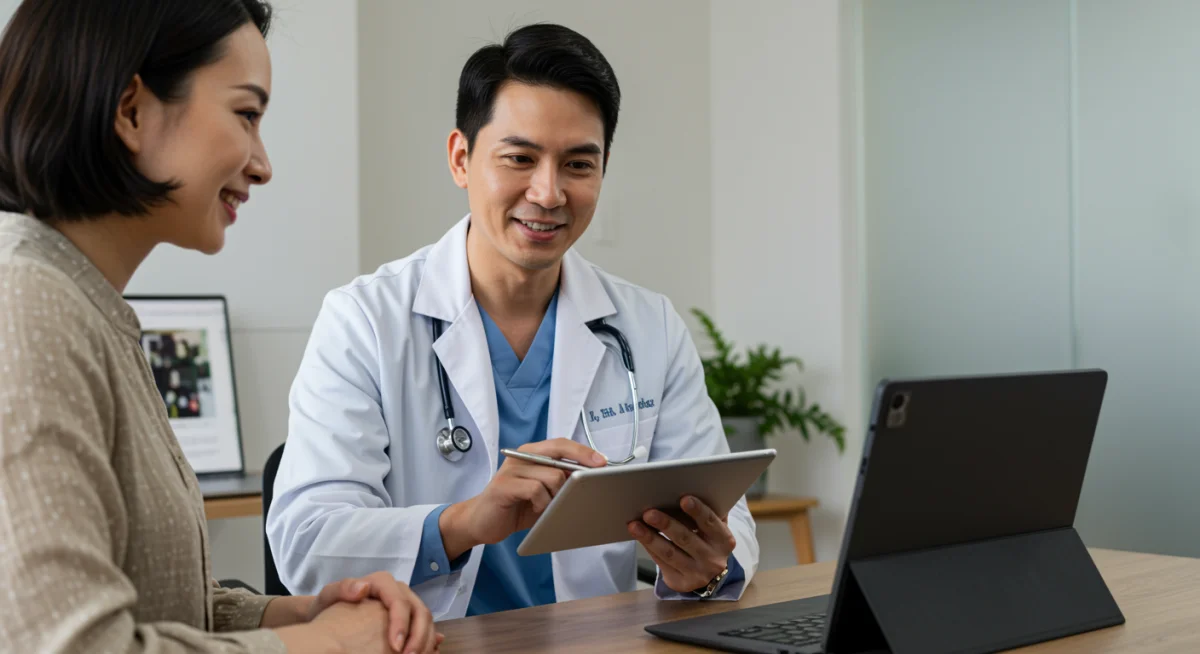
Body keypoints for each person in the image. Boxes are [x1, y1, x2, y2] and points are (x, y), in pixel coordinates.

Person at [267, 23, 759, 620]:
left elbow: (726, 515)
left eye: (579, 164)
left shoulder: (647, 326)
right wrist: (463, 522)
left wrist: (705, 567)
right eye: (520, 158)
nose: (549, 193)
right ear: (461, 159)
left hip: (593, 639)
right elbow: (308, 541)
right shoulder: (365, 321)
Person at [0, 1, 440, 652]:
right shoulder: (26, 305)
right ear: (131, 110)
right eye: (246, 115)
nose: (262, 164)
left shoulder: (83, 305)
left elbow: (151, 592)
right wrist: (327, 646)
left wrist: (294, 615)